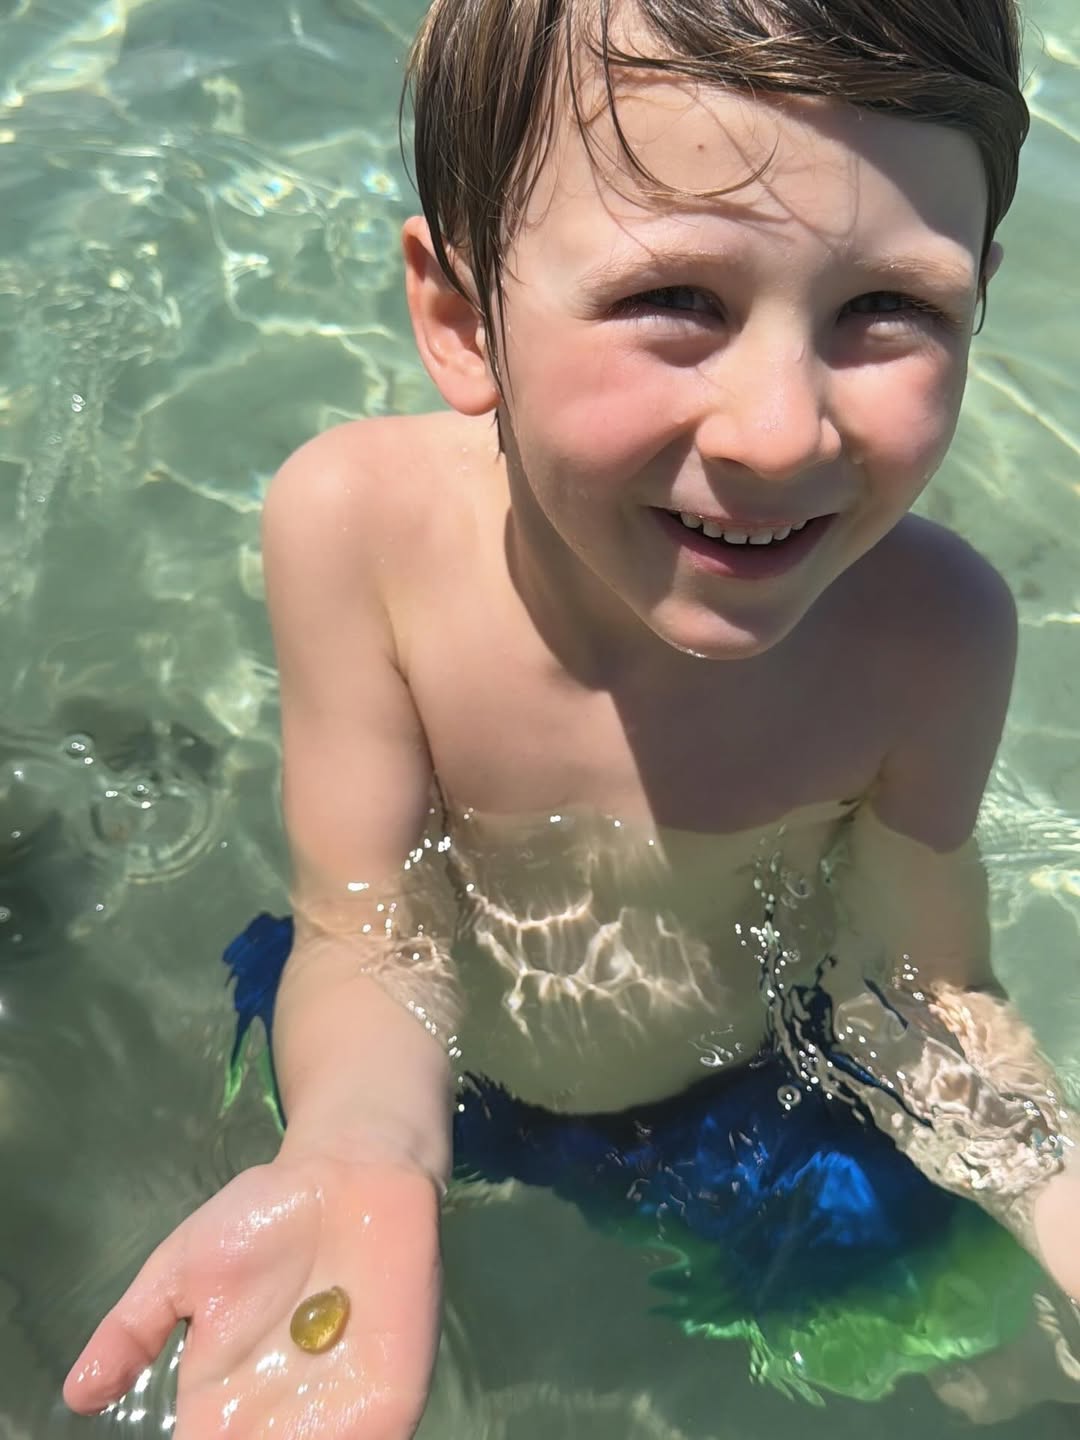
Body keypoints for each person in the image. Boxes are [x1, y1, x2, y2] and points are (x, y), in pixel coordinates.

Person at [64, 0, 1080, 1434]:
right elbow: (367, 927)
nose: (779, 430)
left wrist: (1052, 1186)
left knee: (969, 1357)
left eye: (889, 310)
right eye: (678, 300)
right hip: (408, 1063)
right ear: (462, 317)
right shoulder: (358, 530)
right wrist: (360, 1151)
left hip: (733, 1104)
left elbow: (915, 989)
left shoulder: (934, 633)